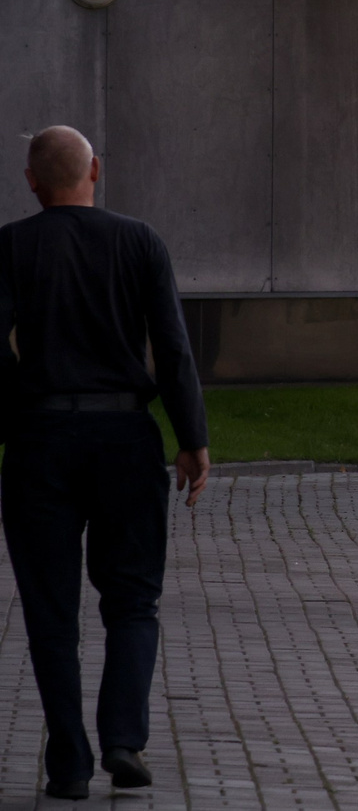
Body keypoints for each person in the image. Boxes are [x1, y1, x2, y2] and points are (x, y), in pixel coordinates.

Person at [0, 126, 210, 799]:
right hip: (125, 437)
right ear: (97, 170)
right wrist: (191, 437)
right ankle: (123, 737)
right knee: (133, 600)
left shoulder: (10, 247)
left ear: (31, 182)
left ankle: (68, 762)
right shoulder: (140, 241)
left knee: (49, 612)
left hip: (39, 443)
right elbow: (172, 349)